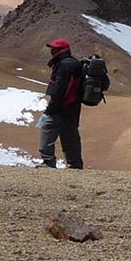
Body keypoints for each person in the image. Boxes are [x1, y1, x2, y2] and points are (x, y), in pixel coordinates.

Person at [38, 38, 85, 170]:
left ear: (60, 50)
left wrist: (51, 108)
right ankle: (74, 164)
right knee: (69, 134)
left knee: (46, 127)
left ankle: (48, 161)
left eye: (54, 49)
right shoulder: (72, 63)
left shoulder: (65, 65)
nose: (51, 51)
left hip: (63, 106)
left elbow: (61, 89)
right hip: (73, 107)